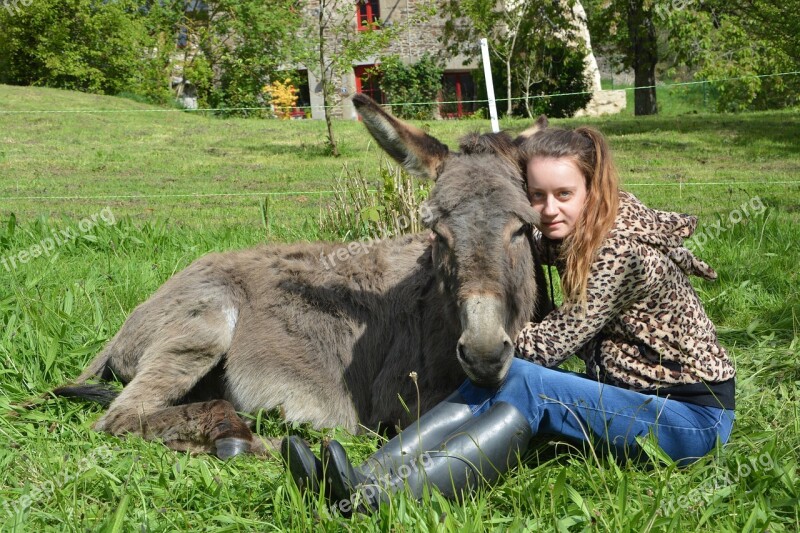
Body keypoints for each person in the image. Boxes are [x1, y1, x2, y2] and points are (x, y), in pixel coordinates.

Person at [281, 125, 735, 513]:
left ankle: (382, 499)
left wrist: (490, 345)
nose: (549, 209)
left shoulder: (621, 254)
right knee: (512, 376)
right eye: (537, 197)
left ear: (593, 192)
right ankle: (359, 475)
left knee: (526, 379)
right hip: (632, 397)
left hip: (689, 420)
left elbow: (552, 343)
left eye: (564, 194)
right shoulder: (571, 234)